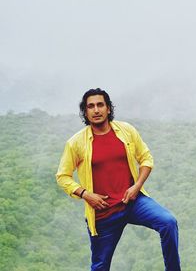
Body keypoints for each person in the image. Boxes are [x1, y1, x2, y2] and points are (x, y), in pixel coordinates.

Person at [55, 88, 181, 271]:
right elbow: (62, 176)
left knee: (168, 222)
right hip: (103, 213)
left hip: (133, 202)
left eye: (100, 105)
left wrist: (137, 186)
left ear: (108, 109)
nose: (96, 110)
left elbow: (146, 158)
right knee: (100, 266)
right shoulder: (76, 143)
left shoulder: (126, 131)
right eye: (91, 106)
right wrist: (85, 194)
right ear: (85, 111)